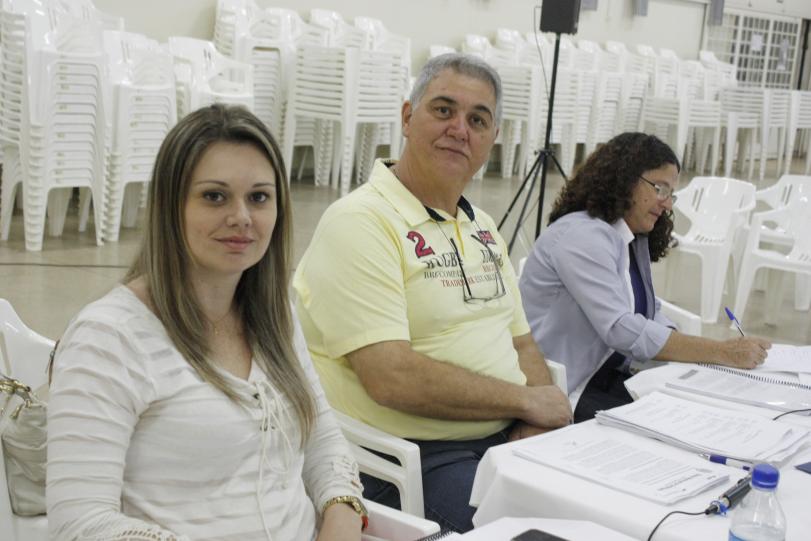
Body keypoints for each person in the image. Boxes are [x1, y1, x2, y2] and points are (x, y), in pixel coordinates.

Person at [47, 105, 366, 541]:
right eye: (215, 196)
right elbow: (79, 523)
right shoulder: (109, 338)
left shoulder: (273, 314)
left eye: (259, 197)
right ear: (170, 207)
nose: (241, 217)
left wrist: (341, 513)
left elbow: (322, 442)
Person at [293, 53, 572, 533]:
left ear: (492, 139)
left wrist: (534, 423)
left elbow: (522, 343)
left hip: (507, 436)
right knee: (546, 533)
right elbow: (391, 378)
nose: (459, 129)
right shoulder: (361, 222)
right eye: (443, 110)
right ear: (407, 117)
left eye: (477, 120)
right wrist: (525, 402)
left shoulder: (483, 227)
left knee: (615, 510)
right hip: (414, 459)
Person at [518, 132, 771, 423]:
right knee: (679, 425)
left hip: (607, 376)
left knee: (704, 411)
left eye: (671, 193)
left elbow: (648, 312)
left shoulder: (630, 235)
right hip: (562, 388)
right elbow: (622, 329)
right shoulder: (581, 236)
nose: (668, 204)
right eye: (659, 188)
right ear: (624, 179)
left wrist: (693, 348)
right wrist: (721, 352)